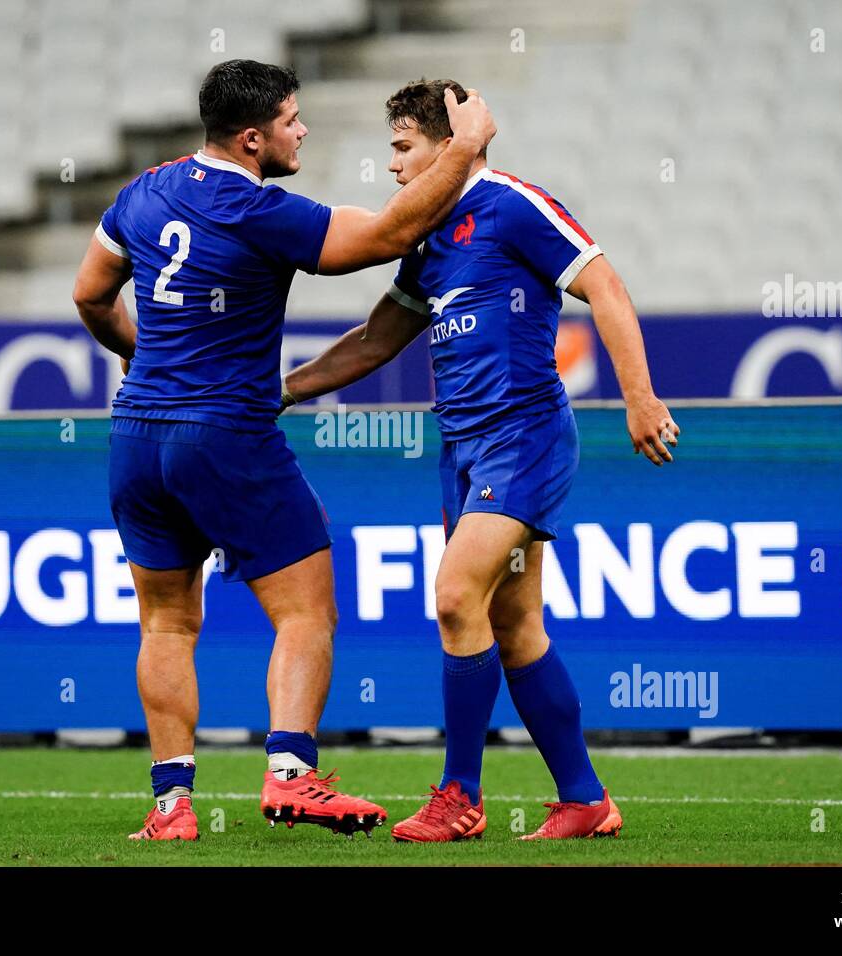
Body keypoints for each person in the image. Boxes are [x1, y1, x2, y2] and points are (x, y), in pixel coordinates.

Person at [71, 61, 496, 841]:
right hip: (225, 431)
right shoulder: (257, 207)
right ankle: (293, 772)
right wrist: (464, 149)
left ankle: (170, 810)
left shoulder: (144, 189)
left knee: (165, 624)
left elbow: (90, 294)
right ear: (252, 137)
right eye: (293, 120)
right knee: (306, 610)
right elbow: (391, 234)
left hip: (135, 434)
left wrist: (143, 359)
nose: (303, 131)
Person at [283, 79, 680, 842]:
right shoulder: (426, 236)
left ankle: (459, 796)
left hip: (524, 435)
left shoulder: (511, 203)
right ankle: (586, 800)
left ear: (446, 141)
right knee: (515, 623)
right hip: (462, 449)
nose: (393, 167)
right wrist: (286, 390)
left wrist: (639, 397)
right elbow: (375, 339)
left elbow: (606, 285)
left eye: (403, 148)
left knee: (456, 595)